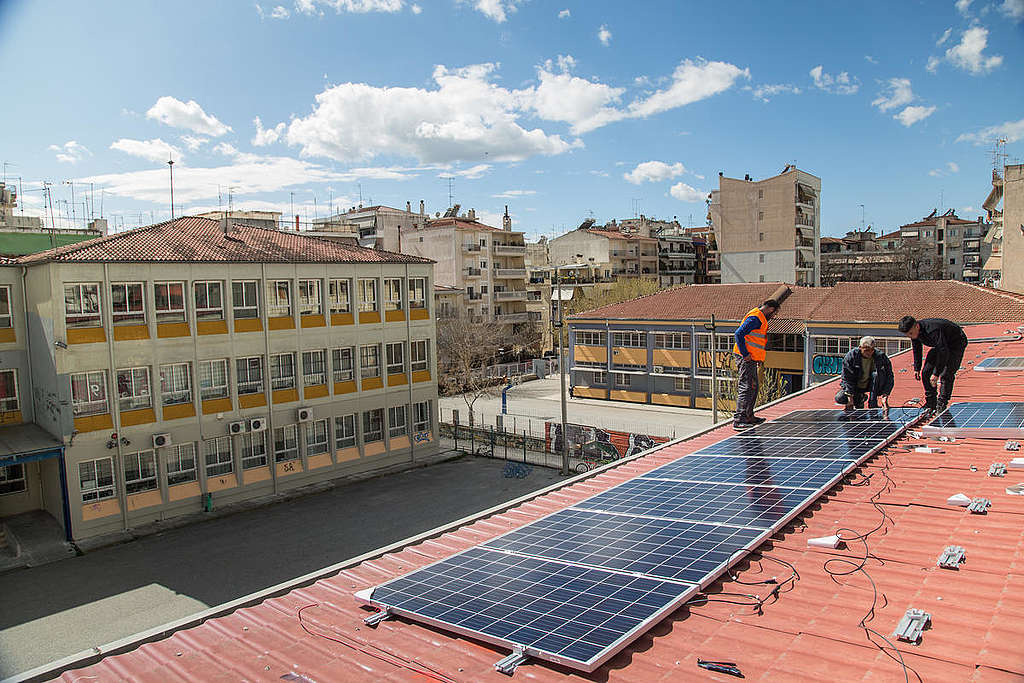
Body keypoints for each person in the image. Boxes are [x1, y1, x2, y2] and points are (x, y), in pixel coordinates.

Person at [898, 315, 969, 414]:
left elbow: (943, 352)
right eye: (907, 335)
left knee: (946, 374)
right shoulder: (914, 333)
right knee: (926, 372)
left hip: (956, 343)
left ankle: (942, 403)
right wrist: (917, 368)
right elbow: (916, 349)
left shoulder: (932, 330)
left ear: (917, 326)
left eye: (910, 333)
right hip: (940, 345)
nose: (910, 336)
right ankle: (931, 403)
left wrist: (936, 373)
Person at [732, 298, 780, 429]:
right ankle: (739, 419)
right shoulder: (755, 318)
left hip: (751, 358)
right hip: (745, 358)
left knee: (753, 387)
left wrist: (756, 358)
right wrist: (745, 354)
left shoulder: (759, 318)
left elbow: (754, 340)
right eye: (774, 314)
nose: (773, 316)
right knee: (746, 387)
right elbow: (739, 333)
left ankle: (748, 416)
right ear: (770, 309)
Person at [834, 336, 893, 411]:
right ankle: (859, 398)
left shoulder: (881, 356)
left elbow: (889, 376)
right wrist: (850, 399)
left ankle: (872, 403)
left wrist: (885, 396)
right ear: (860, 347)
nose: (869, 353)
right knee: (840, 398)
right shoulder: (851, 356)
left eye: (872, 350)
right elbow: (846, 378)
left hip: (874, 386)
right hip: (856, 385)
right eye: (866, 350)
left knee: (876, 374)